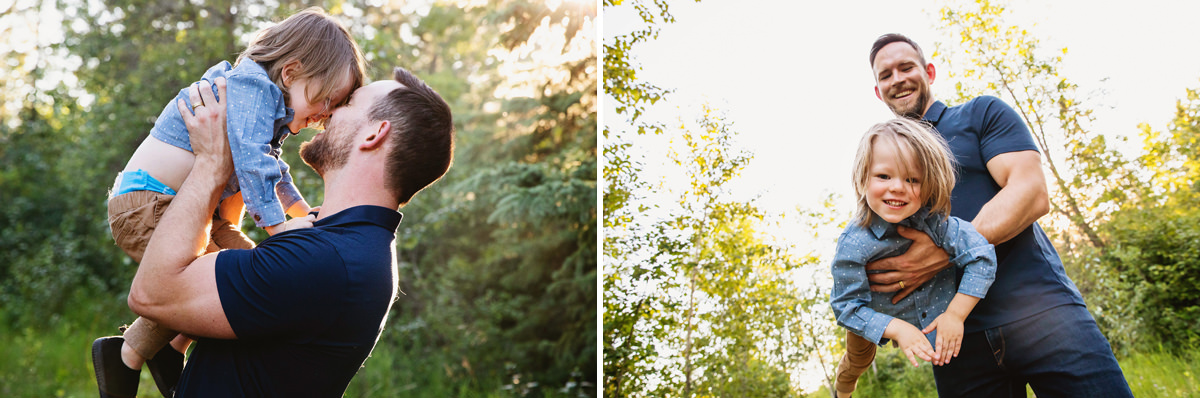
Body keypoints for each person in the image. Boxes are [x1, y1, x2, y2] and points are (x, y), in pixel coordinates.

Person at [94, 66, 453, 397]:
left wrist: (212, 163)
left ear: (375, 133)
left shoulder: (325, 261)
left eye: (349, 103)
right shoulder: (347, 246)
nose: (330, 111)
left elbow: (151, 294)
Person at [91, 8, 368, 397]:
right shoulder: (252, 89)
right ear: (290, 72)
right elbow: (253, 162)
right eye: (325, 100)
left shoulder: (272, 106)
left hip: (194, 211)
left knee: (253, 274)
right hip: (146, 205)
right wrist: (278, 226)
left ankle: (171, 347)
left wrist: (303, 213)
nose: (324, 115)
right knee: (210, 283)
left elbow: (273, 166)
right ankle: (125, 356)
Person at [863, 33, 1132, 397]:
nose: (897, 79)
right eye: (886, 75)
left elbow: (1031, 193)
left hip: (1044, 313)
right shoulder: (882, 165)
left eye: (906, 67)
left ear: (929, 71)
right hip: (953, 342)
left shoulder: (980, 114)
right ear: (879, 91)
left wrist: (945, 254)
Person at [830, 117, 996, 398]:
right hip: (871, 315)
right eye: (884, 176)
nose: (898, 187)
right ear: (862, 180)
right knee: (857, 360)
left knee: (963, 354)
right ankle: (842, 391)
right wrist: (897, 329)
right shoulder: (853, 243)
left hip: (933, 312)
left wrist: (955, 315)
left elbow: (981, 256)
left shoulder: (934, 223)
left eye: (912, 179)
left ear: (928, 185)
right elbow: (847, 307)